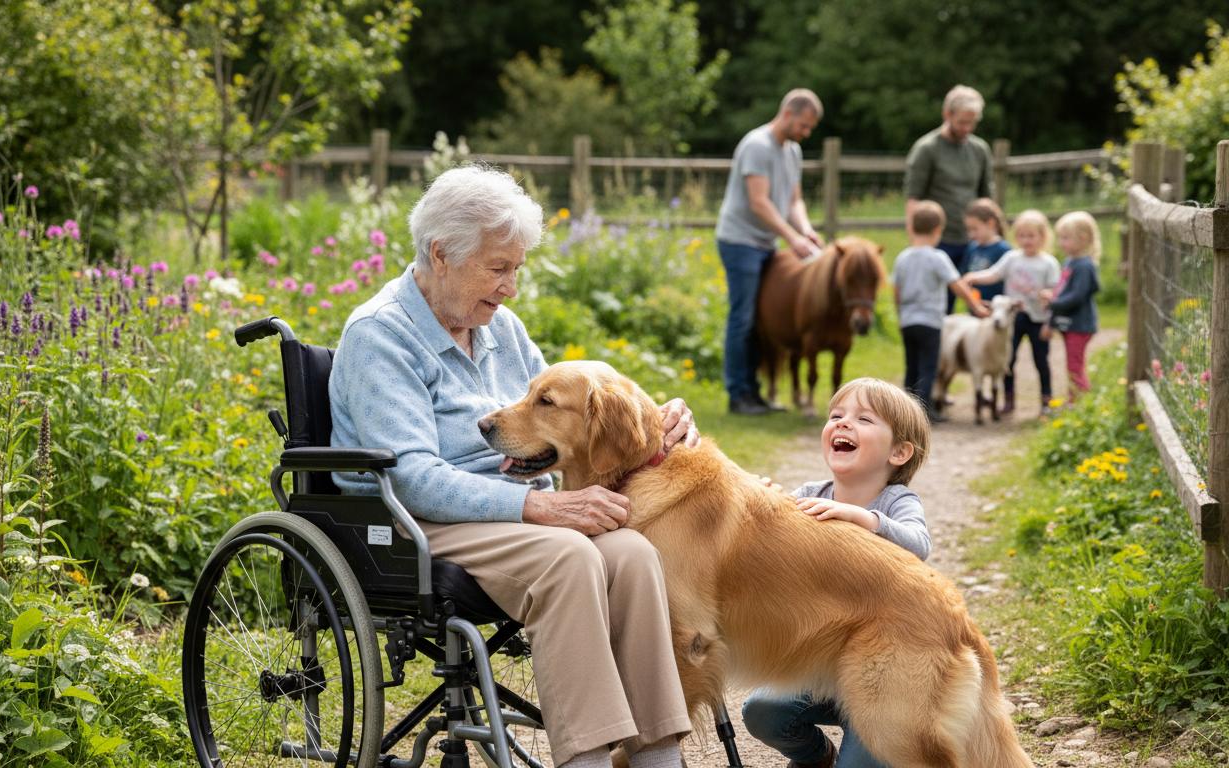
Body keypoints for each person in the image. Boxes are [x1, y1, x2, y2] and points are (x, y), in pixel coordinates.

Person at [328, 165, 697, 768]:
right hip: (412, 523)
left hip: (509, 515)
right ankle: (586, 760)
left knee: (631, 554)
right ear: (441, 254)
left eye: (516, 268)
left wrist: (660, 423)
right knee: (571, 557)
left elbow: (568, 422)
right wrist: (540, 506)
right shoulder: (381, 336)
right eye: (499, 268)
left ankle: (658, 757)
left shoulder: (500, 328)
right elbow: (410, 477)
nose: (511, 288)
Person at [741, 377, 932, 768]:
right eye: (836, 415)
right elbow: (769, 549)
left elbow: (919, 545)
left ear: (899, 451)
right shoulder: (811, 493)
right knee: (760, 710)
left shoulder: (896, 502)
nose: (843, 424)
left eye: (864, 419)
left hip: (884, 675)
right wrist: (759, 504)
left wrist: (866, 520)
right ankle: (815, 757)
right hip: (822, 664)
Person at [716, 88, 825, 415]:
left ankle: (756, 393)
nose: (806, 134)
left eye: (810, 129)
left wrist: (805, 228)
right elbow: (759, 202)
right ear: (789, 113)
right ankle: (739, 393)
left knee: (763, 320)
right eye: (804, 126)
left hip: (766, 243)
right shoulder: (757, 146)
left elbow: (794, 200)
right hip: (741, 241)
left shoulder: (792, 151)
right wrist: (792, 238)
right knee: (743, 317)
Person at [892, 200, 988, 422]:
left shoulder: (903, 257)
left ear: (912, 227)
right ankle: (925, 412)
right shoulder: (938, 258)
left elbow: (896, 291)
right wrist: (977, 307)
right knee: (929, 366)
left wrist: (900, 315)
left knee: (911, 366)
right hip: (931, 321)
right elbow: (957, 286)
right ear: (938, 230)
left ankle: (905, 412)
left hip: (908, 321)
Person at [903, 85, 995, 314]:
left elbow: (987, 198)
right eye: (962, 122)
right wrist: (916, 241)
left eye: (972, 123)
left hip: (973, 242)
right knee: (941, 305)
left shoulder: (980, 150)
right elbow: (913, 198)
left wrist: (995, 234)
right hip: (939, 240)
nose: (967, 128)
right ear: (947, 115)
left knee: (979, 302)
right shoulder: (927, 149)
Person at [963, 209, 1061, 416]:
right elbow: (994, 274)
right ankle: (1008, 399)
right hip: (1012, 320)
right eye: (1022, 236)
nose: (1027, 240)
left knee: (1041, 359)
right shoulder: (1012, 258)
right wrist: (974, 277)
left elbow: (1056, 292)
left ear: (1042, 237)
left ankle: (1046, 399)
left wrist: (1049, 296)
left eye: (1031, 236)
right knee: (1007, 359)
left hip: (1038, 318)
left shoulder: (1049, 263)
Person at [1039, 211, 1102, 403]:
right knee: (1072, 365)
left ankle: (1079, 404)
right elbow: (1063, 290)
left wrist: (1053, 302)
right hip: (1070, 323)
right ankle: (1076, 400)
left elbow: (1077, 297)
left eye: (1065, 238)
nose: (1061, 243)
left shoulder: (1084, 266)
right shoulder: (1070, 262)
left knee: (1075, 366)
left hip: (1080, 325)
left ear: (1083, 239)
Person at [962, 197, 1011, 303]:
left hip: (996, 307)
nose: (971, 234)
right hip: (975, 304)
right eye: (969, 229)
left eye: (975, 229)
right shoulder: (972, 248)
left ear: (990, 223)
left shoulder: (1003, 250)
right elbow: (965, 272)